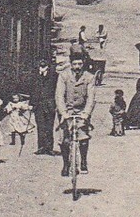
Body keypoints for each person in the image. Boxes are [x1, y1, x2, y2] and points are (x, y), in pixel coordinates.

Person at [55, 49, 99, 177]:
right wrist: (63, 113)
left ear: (83, 64)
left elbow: (91, 98)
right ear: (71, 64)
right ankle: (66, 164)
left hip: (82, 111)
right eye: (74, 64)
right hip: (66, 111)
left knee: (83, 136)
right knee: (64, 139)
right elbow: (59, 96)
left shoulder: (89, 78)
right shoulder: (63, 76)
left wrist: (86, 114)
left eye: (80, 64)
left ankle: (84, 161)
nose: (77, 67)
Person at [31, 59, 59, 155]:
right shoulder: (34, 75)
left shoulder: (54, 75)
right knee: (40, 126)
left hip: (50, 104)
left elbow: (57, 90)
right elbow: (31, 90)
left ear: (48, 65)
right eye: (40, 63)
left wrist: (56, 103)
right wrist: (32, 103)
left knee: (49, 126)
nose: (42, 64)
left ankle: (49, 148)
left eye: (44, 63)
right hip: (38, 105)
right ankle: (41, 147)